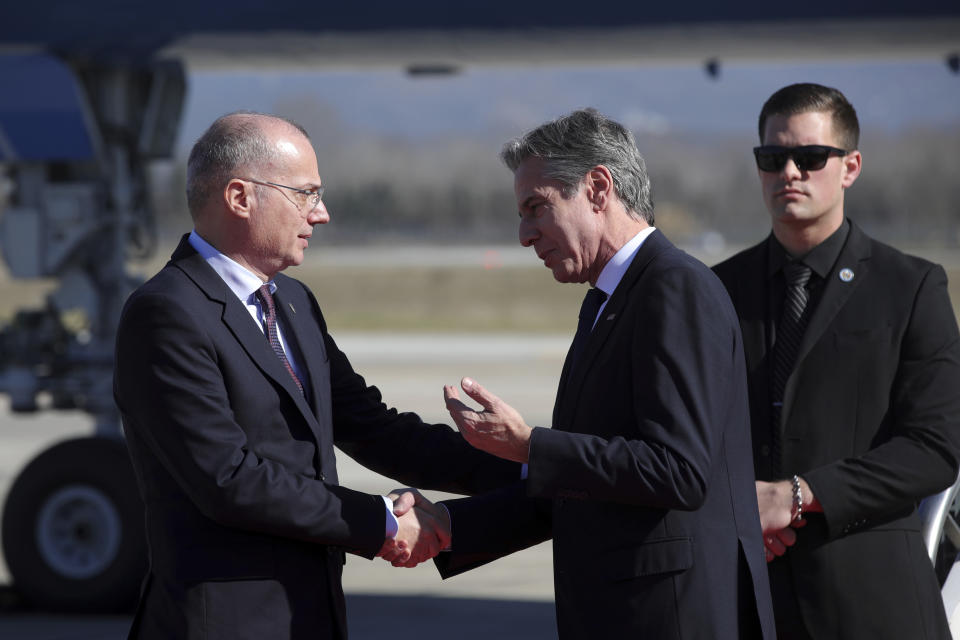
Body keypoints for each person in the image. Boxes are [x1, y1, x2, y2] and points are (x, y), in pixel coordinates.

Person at [113, 112, 518, 640]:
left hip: (310, 614)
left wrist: (528, 466)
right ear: (240, 197)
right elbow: (228, 478)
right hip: (225, 624)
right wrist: (385, 523)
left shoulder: (294, 303)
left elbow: (371, 427)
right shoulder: (166, 313)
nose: (321, 214)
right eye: (305, 194)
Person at [412, 108, 775, 638]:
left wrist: (532, 445)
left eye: (536, 208)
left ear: (598, 188)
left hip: (670, 618)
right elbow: (588, 483)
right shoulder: (609, 300)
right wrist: (452, 527)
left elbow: (678, 470)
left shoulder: (674, 288)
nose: (523, 234)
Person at [712, 82, 960, 639]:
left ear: (850, 167)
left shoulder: (911, 287)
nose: (790, 173)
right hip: (748, 598)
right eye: (772, 158)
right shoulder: (715, 291)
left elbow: (935, 450)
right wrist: (736, 506)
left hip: (873, 604)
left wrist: (795, 495)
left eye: (810, 157)